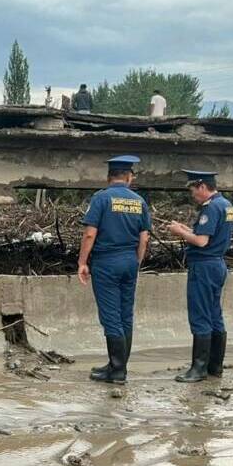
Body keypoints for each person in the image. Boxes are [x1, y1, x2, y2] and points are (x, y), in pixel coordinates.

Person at [77, 155, 151, 384]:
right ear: (129, 177)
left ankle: (118, 371)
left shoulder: (101, 198)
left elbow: (90, 233)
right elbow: (145, 238)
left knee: (110, 317)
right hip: (129, 261)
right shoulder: (139, 201)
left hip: (107, 262)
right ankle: (116, 365)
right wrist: (136, 261)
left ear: (109, 177)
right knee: (125, 315)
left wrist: (82, 262)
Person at [166, 170, 233, 383]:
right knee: (215, 315)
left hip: (204, 266)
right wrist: (186, 228)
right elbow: (208, 235)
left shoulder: (211, 207)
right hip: (218, 264)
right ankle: (215, 366)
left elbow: (202, 241)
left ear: (203, 186)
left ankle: (198, 369)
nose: (193, 195)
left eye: (193, 190)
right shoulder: (226, 205)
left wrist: (179, 233)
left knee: (200, 315)